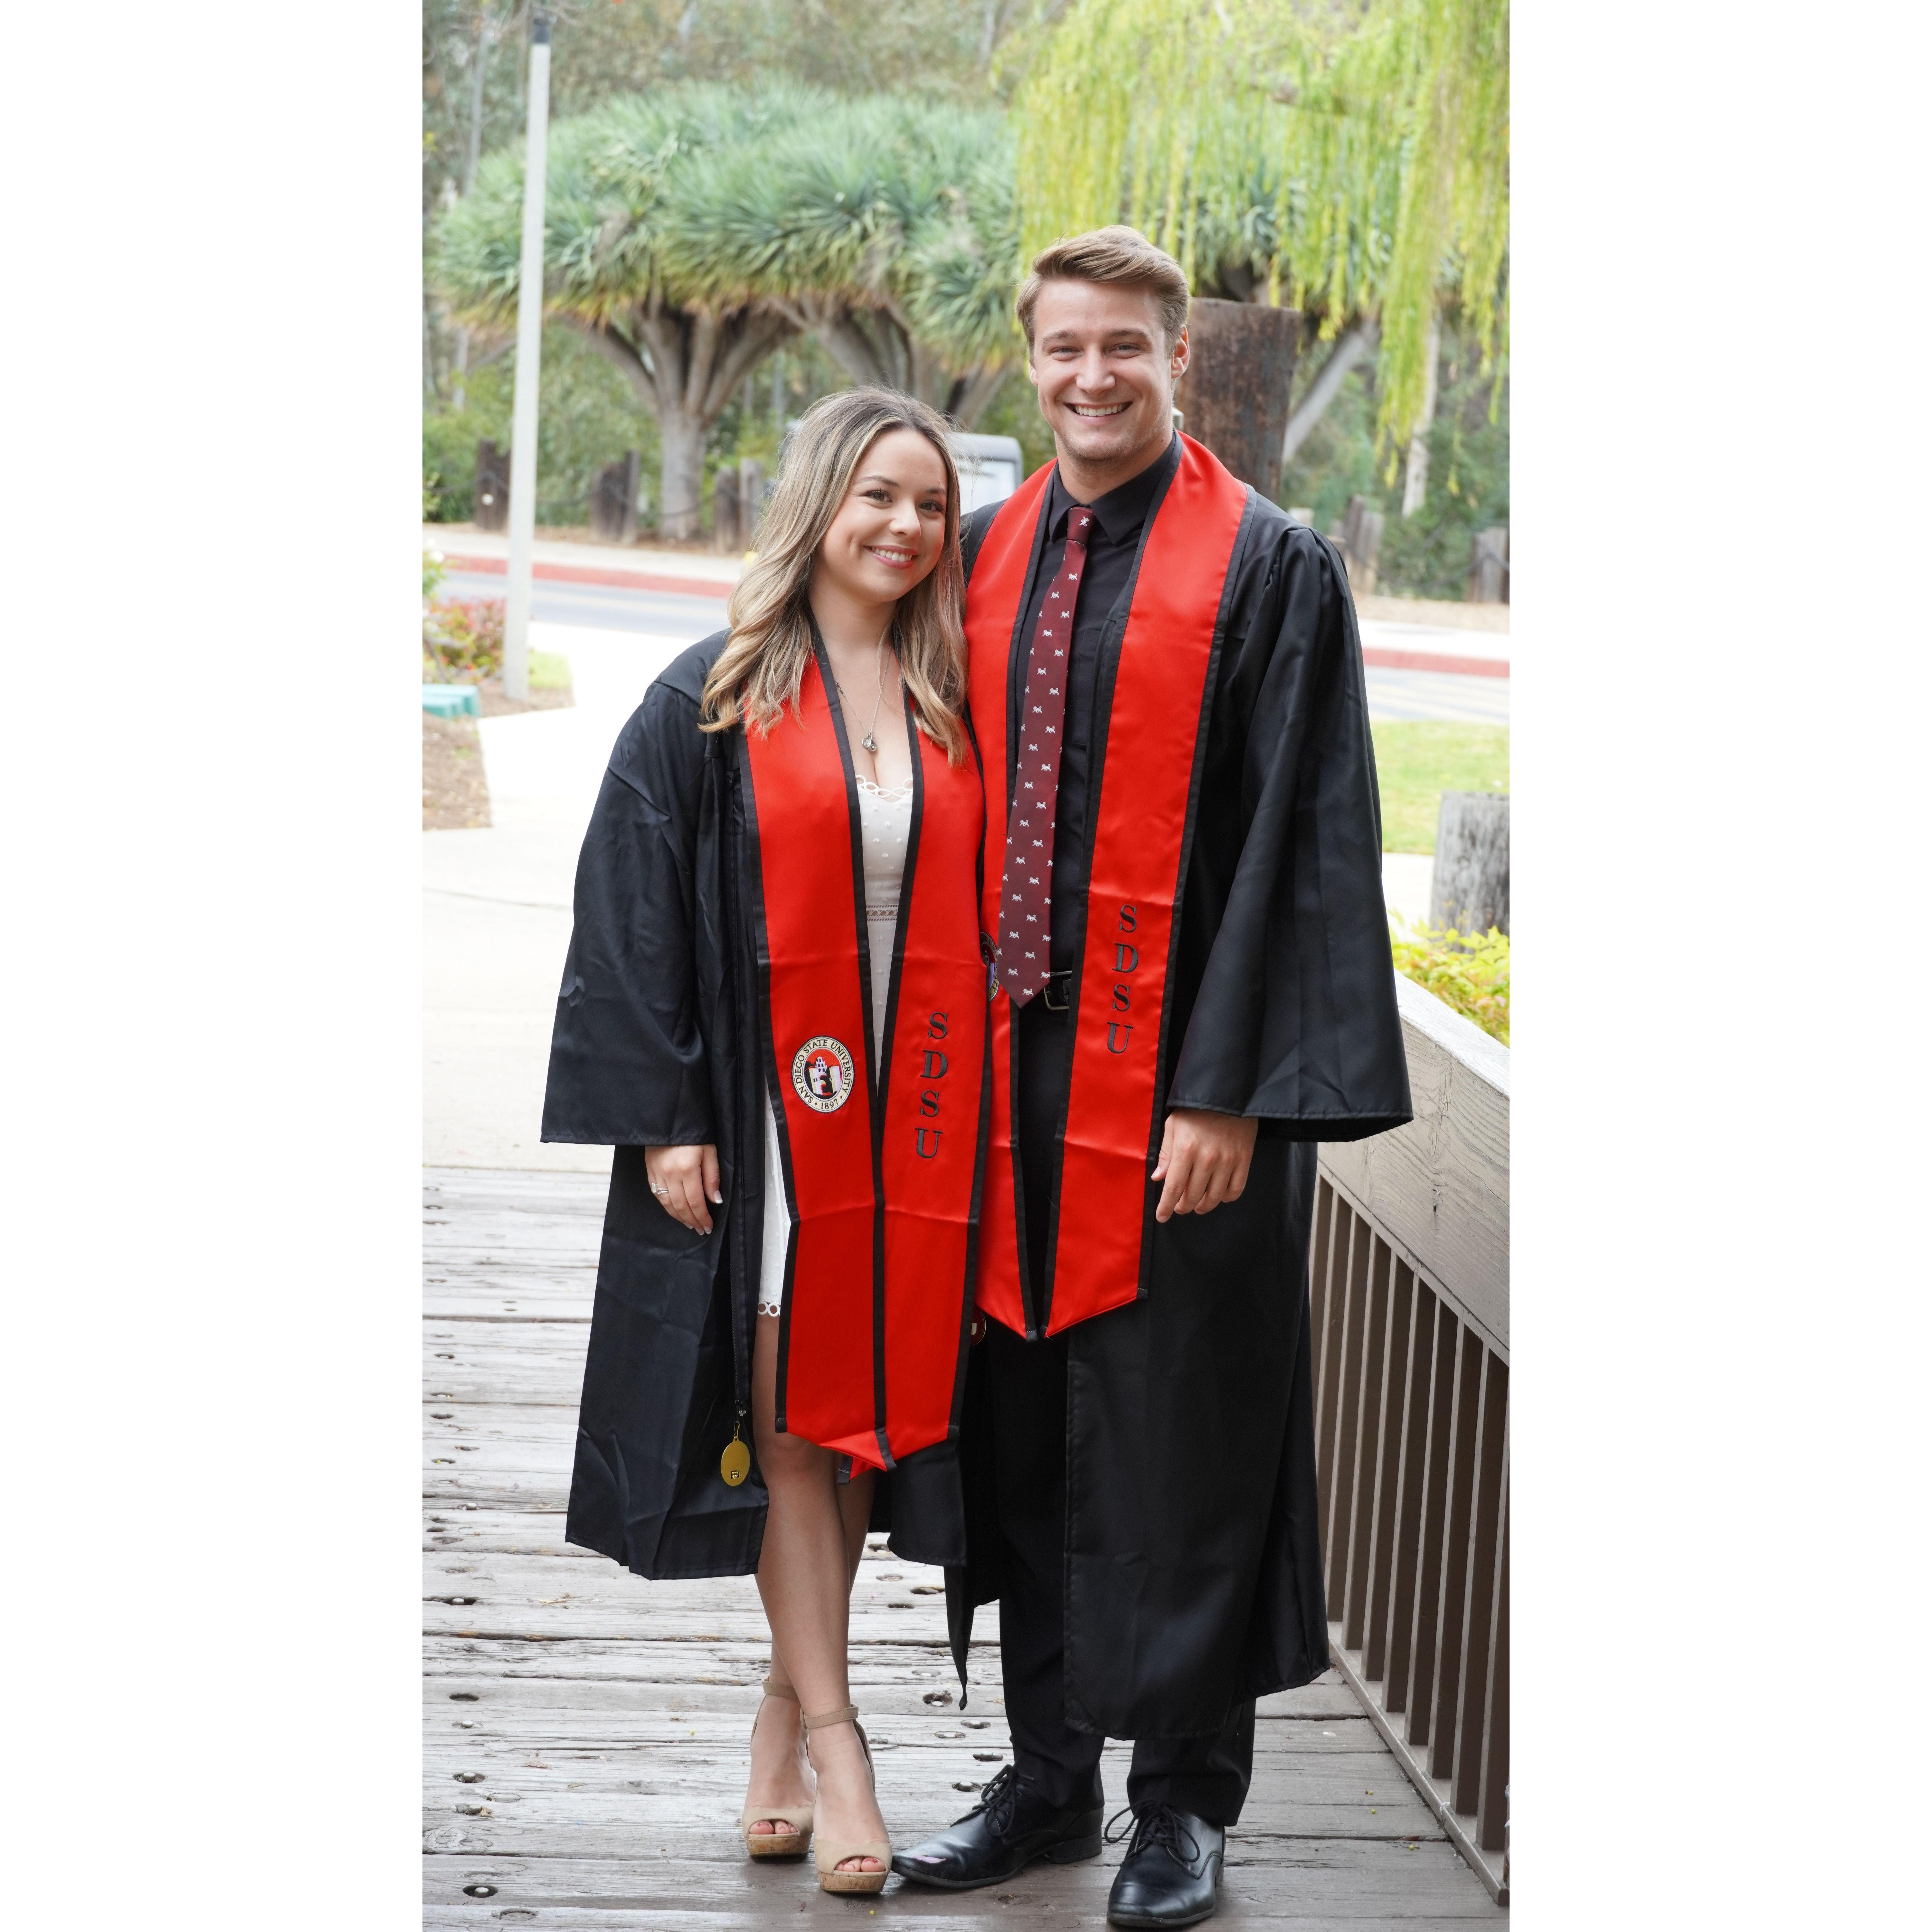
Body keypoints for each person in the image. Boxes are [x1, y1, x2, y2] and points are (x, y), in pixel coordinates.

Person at [889, 228, 1413, 1928]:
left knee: (1184, 1436)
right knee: (1024, 1428)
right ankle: (1048, 1784)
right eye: (1063, 350)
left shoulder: (1271, 569)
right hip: (997, 1095)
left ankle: (1181, 1806)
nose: (1092, 376)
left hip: (1184, 1090)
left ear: (1179, 361)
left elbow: (1307, 845)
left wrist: (1231, 1092)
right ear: (1026, 362)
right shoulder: (968, 559)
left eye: (1126, 347)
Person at [539, 388, 989, 1897]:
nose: (905, 528)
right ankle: (847, 1740)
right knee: (797, 1415)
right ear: (818, 504)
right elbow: (634, 915)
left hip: (917, 1132)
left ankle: (778, 1722)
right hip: (773, 1124)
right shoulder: (713, 697)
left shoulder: (950, 697)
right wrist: (667, 1115)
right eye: (876, 496)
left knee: (861, 1427)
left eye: (928, 504)